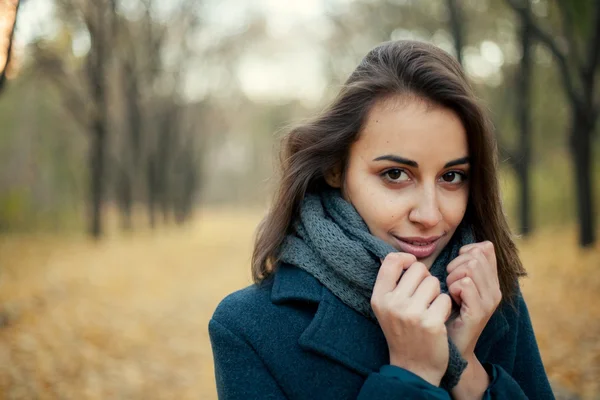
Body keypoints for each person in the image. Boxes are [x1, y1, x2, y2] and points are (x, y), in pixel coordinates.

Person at [208, 40, 555, 399]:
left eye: (451, 177)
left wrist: (465, 371)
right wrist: (411, 375)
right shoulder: (248, 326)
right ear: (335, 168)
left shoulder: (489, 293)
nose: (430, 215)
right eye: (395, 174)